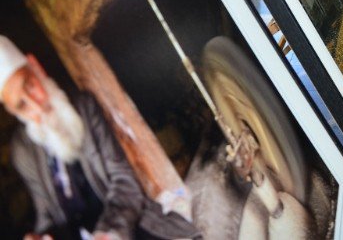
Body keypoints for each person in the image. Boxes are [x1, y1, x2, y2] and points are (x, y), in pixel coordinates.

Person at [0, 36, 197, 240]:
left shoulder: (84, 107)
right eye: (21, 106)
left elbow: (124, 180)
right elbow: (46, 215)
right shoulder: (21, 150)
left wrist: (108, 233)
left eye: (30, 85)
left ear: (35, 67)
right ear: (13, 112)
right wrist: (42, 236)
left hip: (124, 228)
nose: (36, 105)